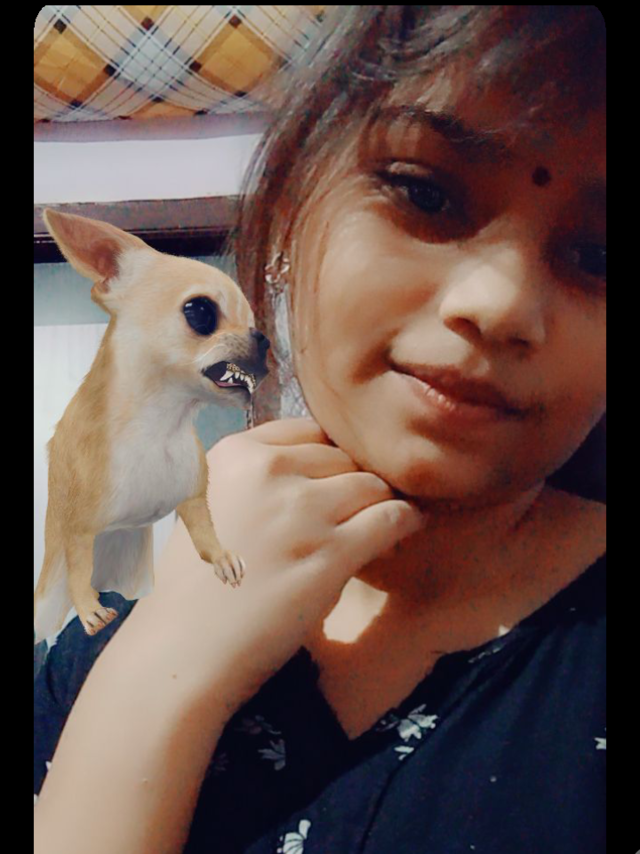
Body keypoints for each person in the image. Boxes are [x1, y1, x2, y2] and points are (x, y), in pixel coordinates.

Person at [34, 6, 606, 853]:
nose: (500, 305)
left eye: (599, 257)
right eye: (426, 193)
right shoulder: (88, 666)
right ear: (291, 208)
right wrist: (162, 671)